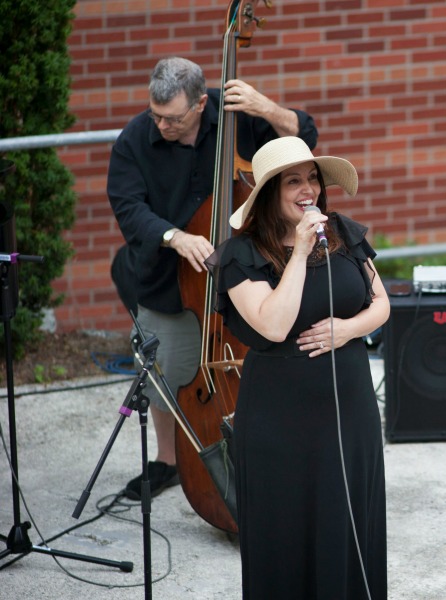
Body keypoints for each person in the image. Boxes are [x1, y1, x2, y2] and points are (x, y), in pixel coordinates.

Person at [108, 56, 318, 500]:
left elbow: (305, 141)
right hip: (172, 280)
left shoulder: (235, 115)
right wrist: (173, 236)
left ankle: (262, 457)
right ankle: (168, 462)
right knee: (166, 375)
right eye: (155, 115)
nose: (162, 125)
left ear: (202, 103)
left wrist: (268, 109)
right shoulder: (133, 141)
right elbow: (128, 208)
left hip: (248, 272)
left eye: (173, 118)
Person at [210, 136, 389, 598]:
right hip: (279, 421)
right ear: (270, 192)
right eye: (294, 181)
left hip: (351, 411)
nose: (307, 188)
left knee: (348, 528)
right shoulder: (239, 255)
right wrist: (300, 252)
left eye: (312, 178)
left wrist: (347, 330)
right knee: (285, 535)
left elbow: (382, 304)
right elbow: (273, 325)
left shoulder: (345, 233)